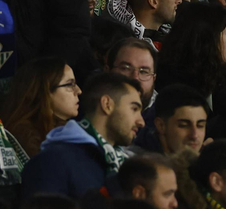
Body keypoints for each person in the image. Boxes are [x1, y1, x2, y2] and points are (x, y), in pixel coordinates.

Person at [20, 71, 145, 199]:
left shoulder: (127, 164)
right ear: (107, 104)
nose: (141, 122)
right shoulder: (52, 162)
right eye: (134, 109)